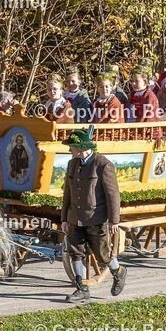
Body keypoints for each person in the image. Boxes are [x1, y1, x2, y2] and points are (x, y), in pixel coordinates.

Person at [60, 129, 126, 303]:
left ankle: (118, 272)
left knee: (102, 254)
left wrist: (114, 220)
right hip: (75, 217)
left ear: (81, 148)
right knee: (76, 253)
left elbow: (113, 194)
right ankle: (81, 288)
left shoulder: (103, 165)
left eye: (72, 147)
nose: (70, 150)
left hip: (96, 218)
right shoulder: (72, 164)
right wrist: (64, 218)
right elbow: (68, 192)